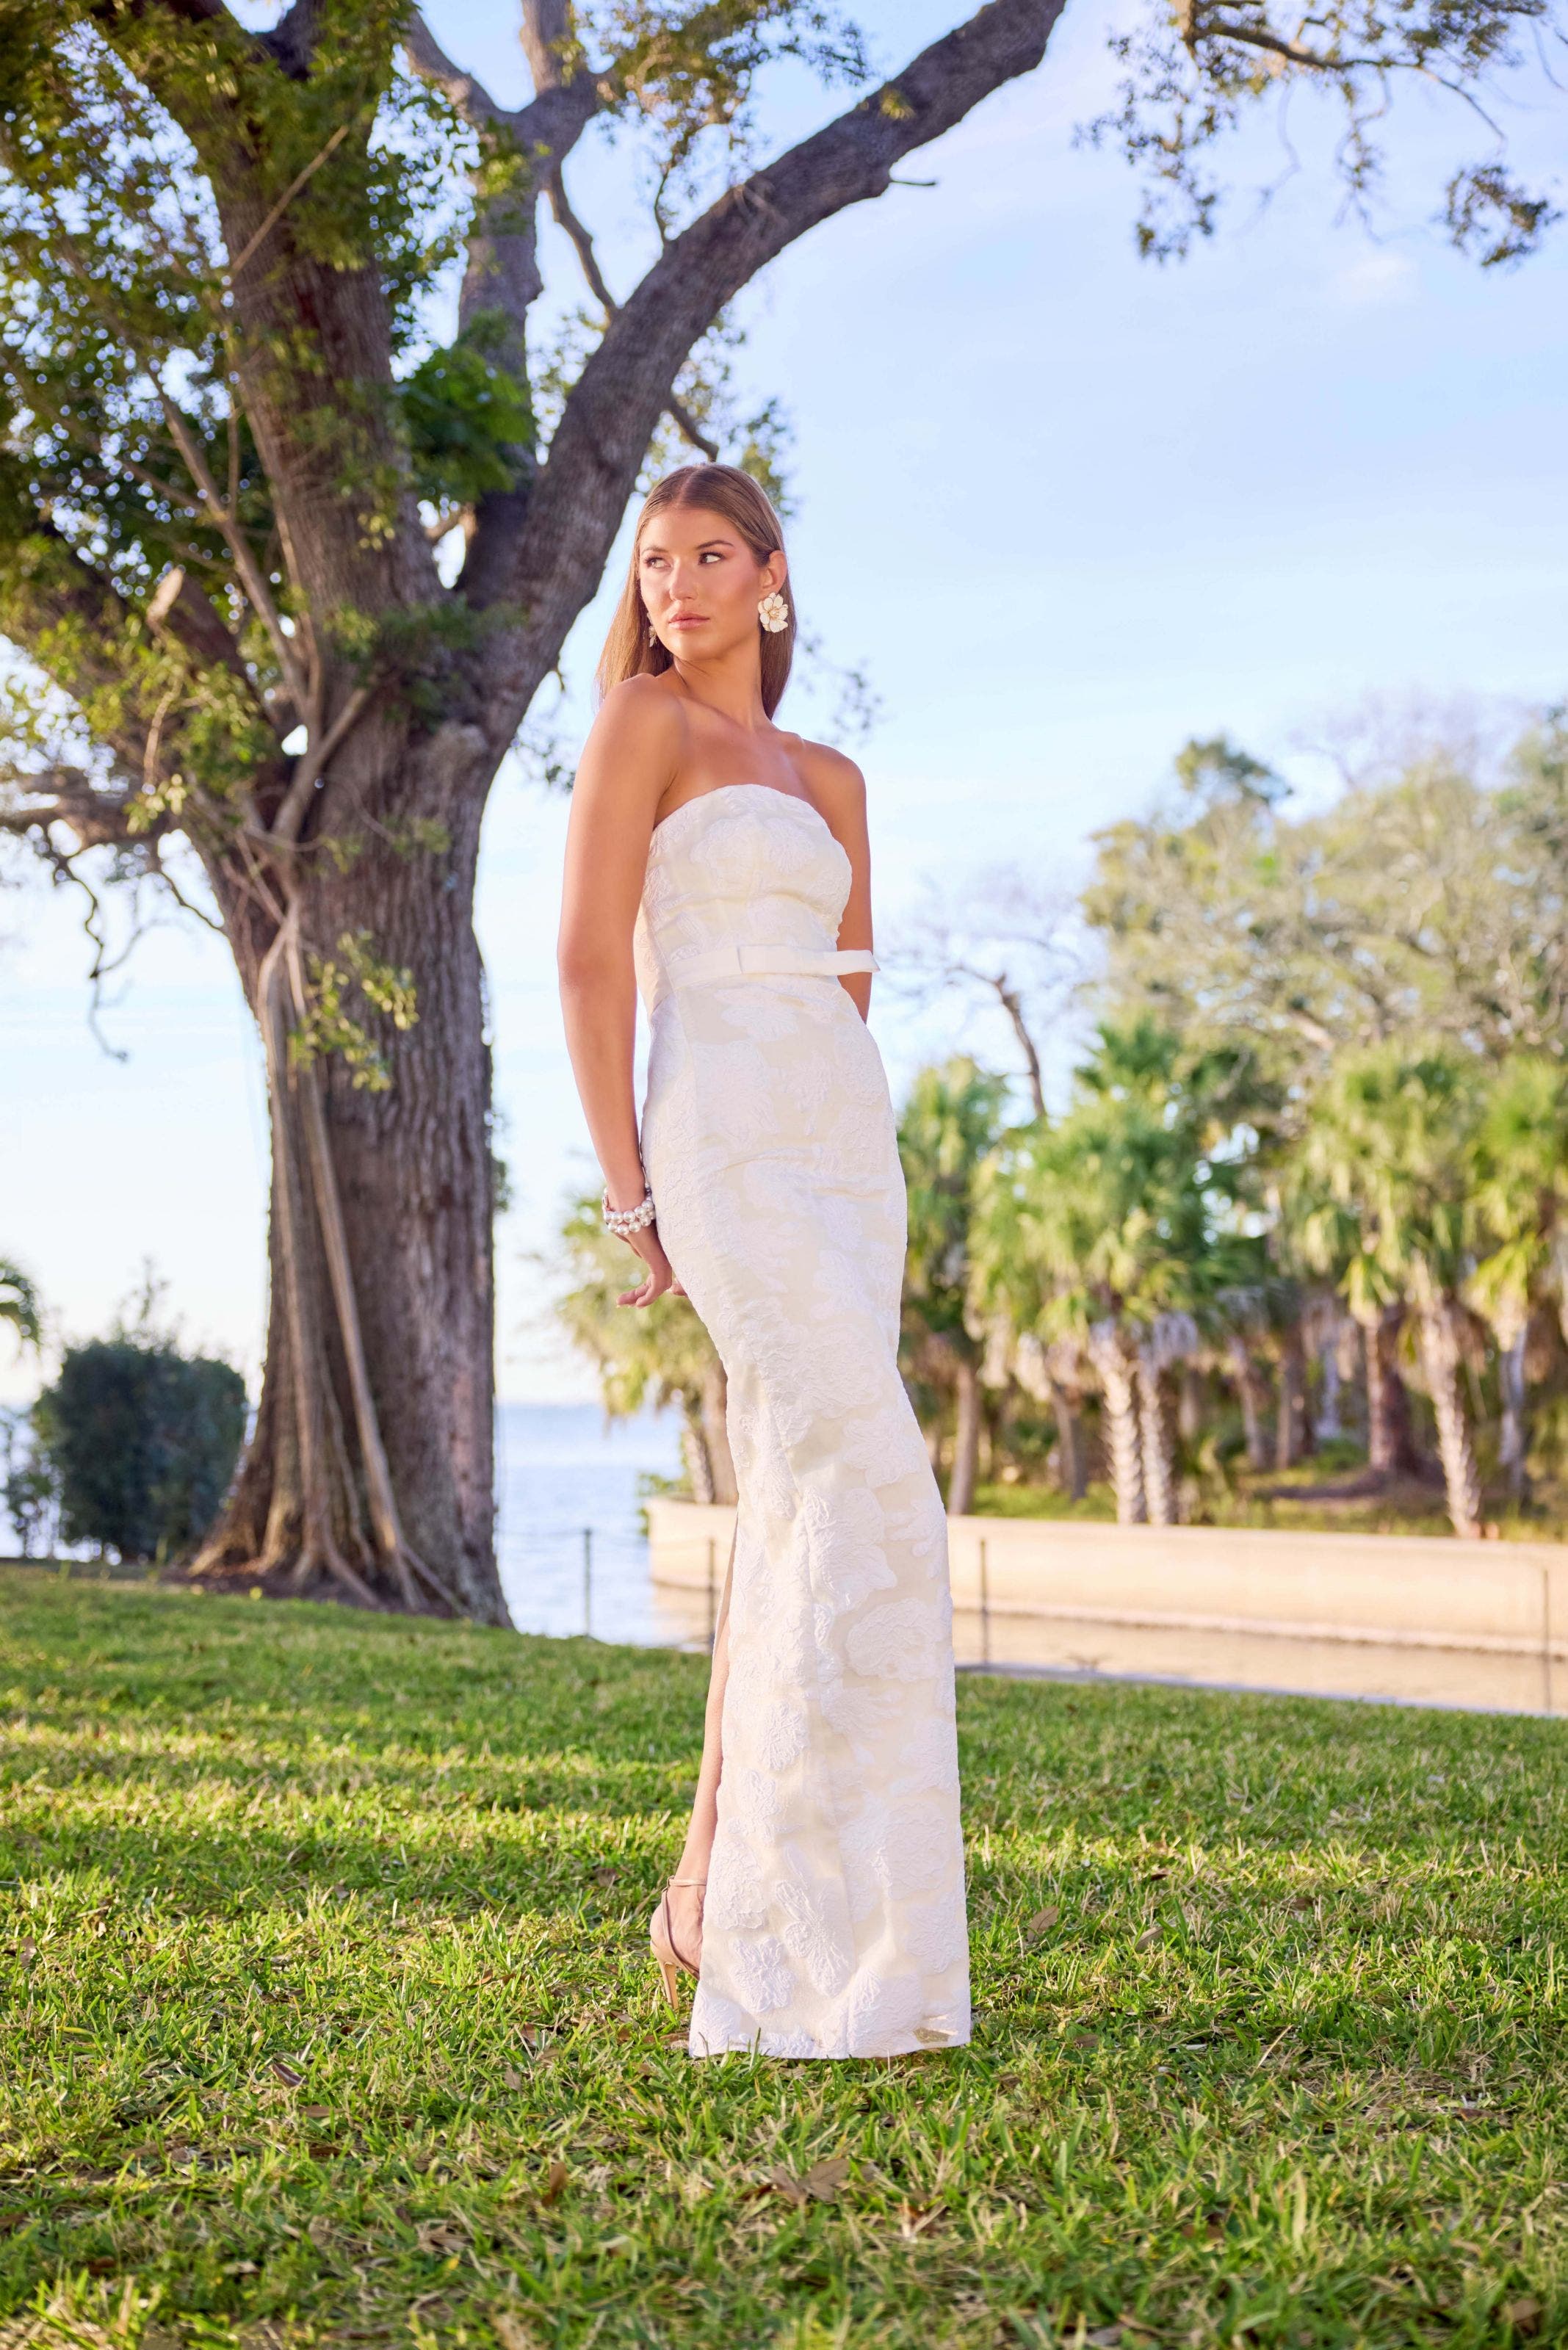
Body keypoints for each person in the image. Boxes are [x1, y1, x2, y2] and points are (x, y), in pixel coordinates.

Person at [557, 463, 969, 2060]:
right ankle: (774, 1934)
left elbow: (850, 999)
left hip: (841, 1147)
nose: (680, 584)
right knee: (870, 1479)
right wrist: (633, 1194)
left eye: (711, 554)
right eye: (657, 561)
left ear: (773, 574)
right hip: (716, 1129)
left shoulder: (833, 776)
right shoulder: (640, 727)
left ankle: (712, 1883)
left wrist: (839, 1138)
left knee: (808, 1491)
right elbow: (594, 964)